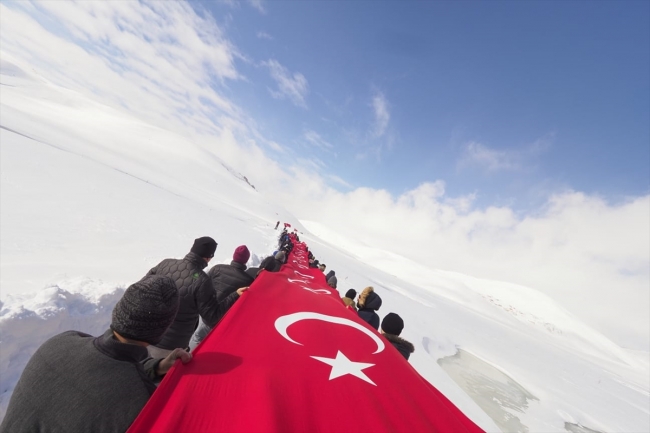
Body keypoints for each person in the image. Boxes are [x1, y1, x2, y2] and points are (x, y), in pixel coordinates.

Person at [0, 275, 192, 433]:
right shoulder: (140, 404)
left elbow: (105, 369)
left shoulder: (60, 341)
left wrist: (157, 367)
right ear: (161, 331)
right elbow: (115, 378)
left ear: (118, 312)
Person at [145, 236, 248, 357]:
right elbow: (212, 317)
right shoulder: (201, 280)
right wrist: (235, 295)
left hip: (144, 337)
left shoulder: (165, 263)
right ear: (208, 257)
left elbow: (141, 288)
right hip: (169, 348)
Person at [189, 245, 254, 350]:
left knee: (197, 338)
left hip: (207, 312)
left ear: (234, 256)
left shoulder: (218, 268)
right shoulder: (249, 281)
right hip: (225, 320)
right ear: (246, 260)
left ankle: (185, 362)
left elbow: (202, 282)